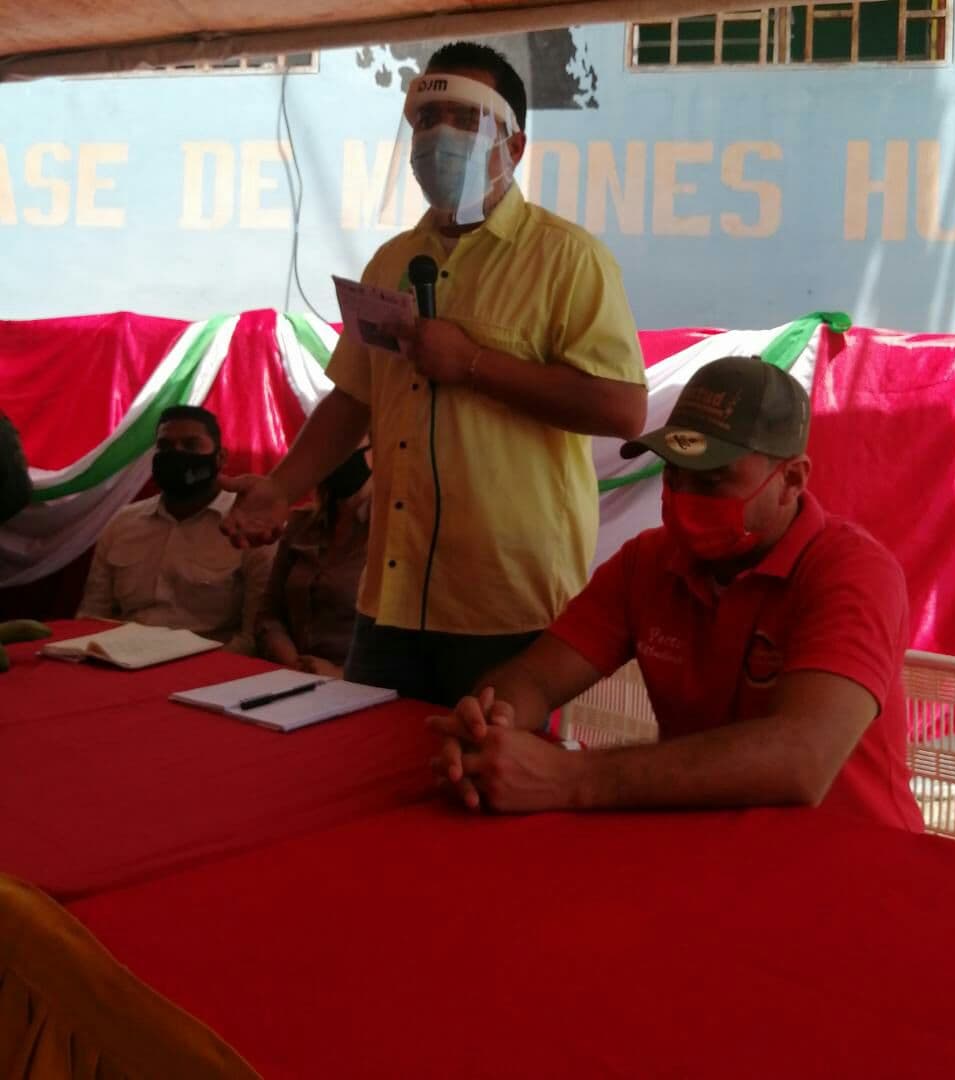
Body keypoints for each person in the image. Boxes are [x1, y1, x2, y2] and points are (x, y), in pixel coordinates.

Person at [220, 42, 647, 705]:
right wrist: (281, 488)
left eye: (465, 118)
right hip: (391, 595)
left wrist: (472, 363)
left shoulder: (568, 260)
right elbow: (353, 397)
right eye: (426, 119)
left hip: (506, 603)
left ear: (514, 145)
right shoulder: (390, 261)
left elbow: (622, 410)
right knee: (367, 764)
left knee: (484, 764)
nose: (439, 136)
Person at [430, 356, 924, 833]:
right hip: (701, 845)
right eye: (673, 474)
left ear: (791, 480)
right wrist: (490, 727)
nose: (683, 498)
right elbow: (536, 679)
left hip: (856, 857)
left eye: (710, 481)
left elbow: (801, 757)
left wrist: (569, 778)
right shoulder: (648, 562)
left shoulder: (852, 571)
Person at [77, 405, 274, 653]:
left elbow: (254, 636)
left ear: (221, 457)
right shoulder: (123, 523)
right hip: (121, 659)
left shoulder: (247, 527)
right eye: (165, 447)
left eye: (191, 445)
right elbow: (93, 614)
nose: (176, 454)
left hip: (209, 665)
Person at [254, 445, 372, 677]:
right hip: (292, 674)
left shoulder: (394, 536)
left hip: (360, 683)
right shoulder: (301, 524)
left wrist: (340, 673)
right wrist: (294, 662)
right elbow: (269, 614)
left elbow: (406, 645)